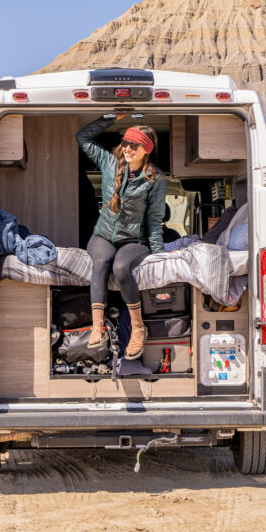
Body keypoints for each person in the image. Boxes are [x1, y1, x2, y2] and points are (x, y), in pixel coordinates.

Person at [76, 115, 166, 359]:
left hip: (133, 241)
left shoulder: (154, 179)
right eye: (125, 143)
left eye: (133, 145)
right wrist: (108, 118)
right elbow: (82, 138)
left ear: (145, 150)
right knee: (102, 262)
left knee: (121, 266)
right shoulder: (109, 163)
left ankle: (138, 328)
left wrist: (158, 253)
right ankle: (97, 327)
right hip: (103, 235)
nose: (127, 148)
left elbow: (154, 219)